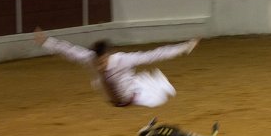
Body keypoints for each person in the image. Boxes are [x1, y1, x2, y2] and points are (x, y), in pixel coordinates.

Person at [34, 28, 199, 107]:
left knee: (157, 94)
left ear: (108, 55)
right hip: (113, 98)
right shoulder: (89, 58)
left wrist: (184, 47)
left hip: (131, 95)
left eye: (103, 61)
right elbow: (68, 50)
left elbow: (153, 54)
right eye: (98, 61)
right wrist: (46, 42)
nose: (100, 65)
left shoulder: (123, 59)